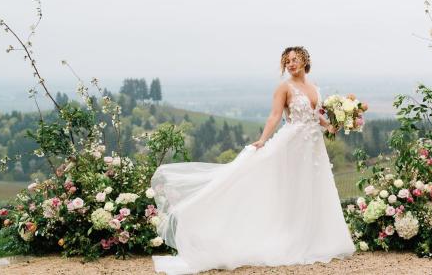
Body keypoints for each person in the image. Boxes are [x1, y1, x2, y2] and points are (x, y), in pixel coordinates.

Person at [151, 46, 356, 274]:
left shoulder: (315, 87)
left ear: (305, 61)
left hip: (313, 147)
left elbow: (316, 116)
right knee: (289, 189)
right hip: (292, 144)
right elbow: (275, 116)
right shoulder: (283, 88)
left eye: (295, 59)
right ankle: (288, 238)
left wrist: (334, 125)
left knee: (311, 188)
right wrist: (262, 140)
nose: (290, 64)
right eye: (287, 61)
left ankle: (313, 240)